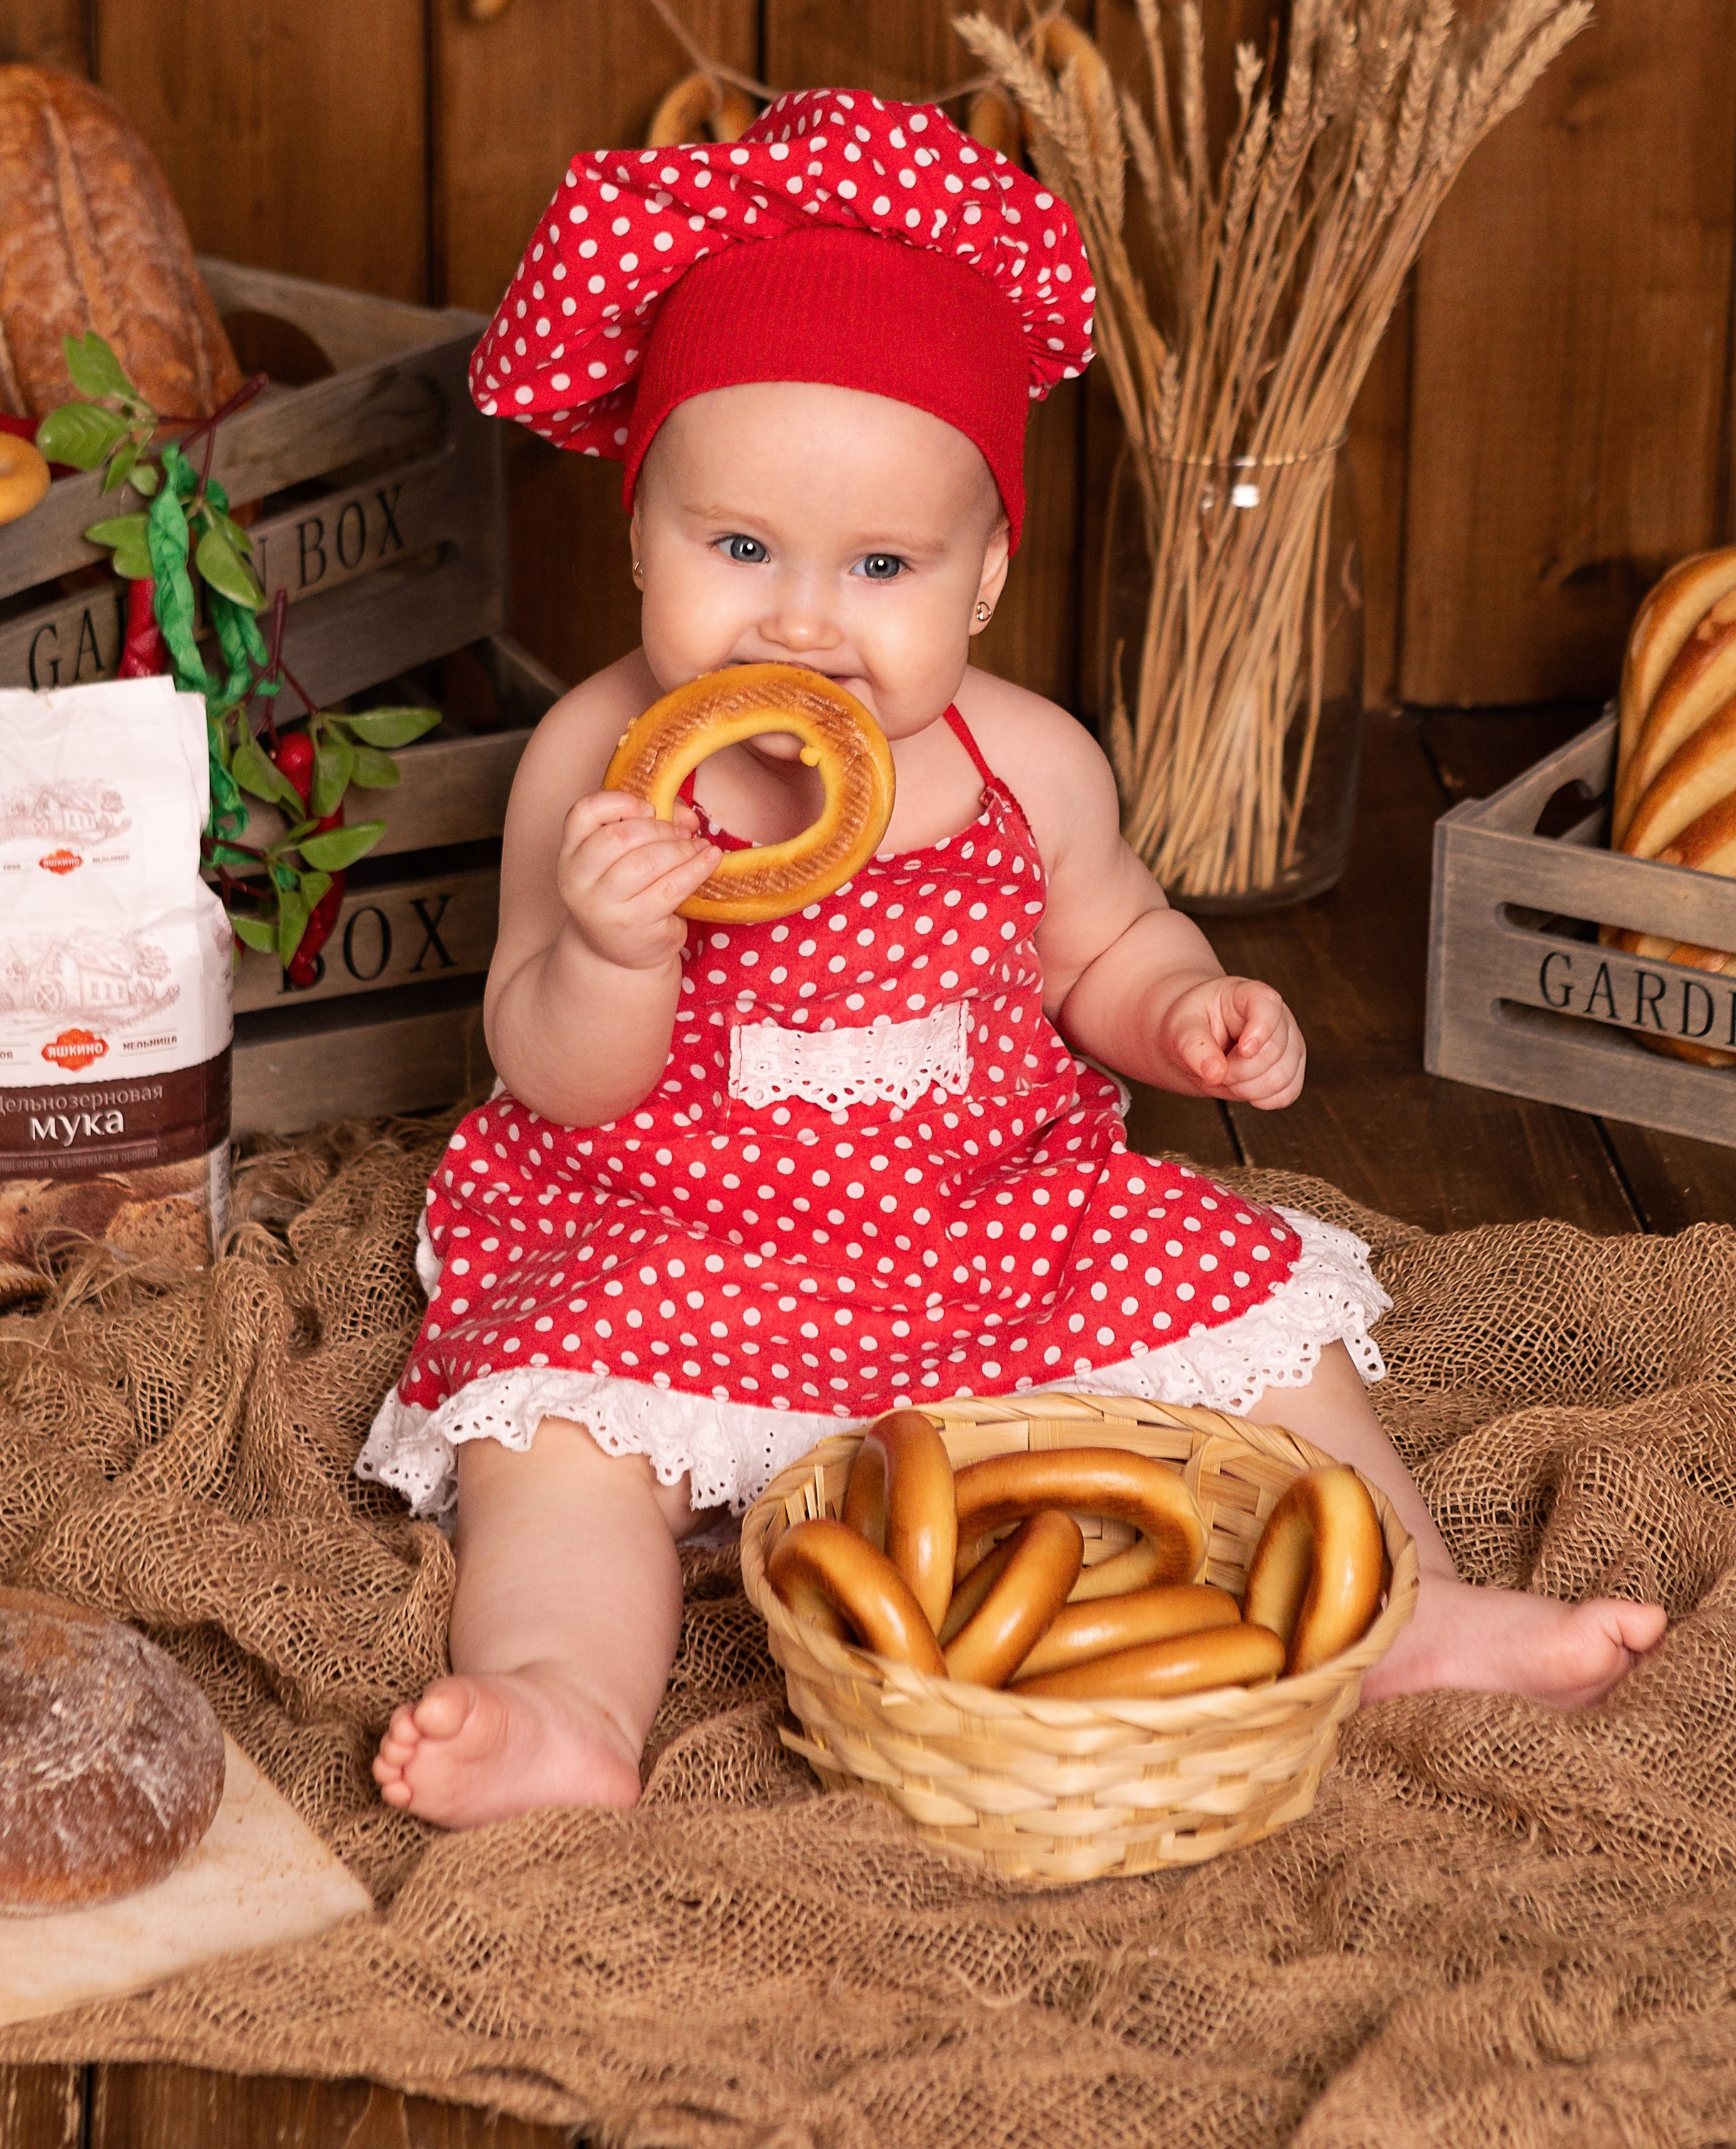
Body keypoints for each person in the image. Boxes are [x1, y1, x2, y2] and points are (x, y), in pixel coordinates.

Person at [361, 90, 1664, 1829]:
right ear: (633, 532)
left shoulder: (1024, 759)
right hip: (677, 1239)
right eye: (735, 548)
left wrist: (1180, 1010)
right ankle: (563, 1700)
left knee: (1248, 1315)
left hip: (985, 1222)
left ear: (980, 579)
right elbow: (553, 1073)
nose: (799, 618)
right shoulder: (596, 762)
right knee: (549, 1447)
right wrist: (610, 947)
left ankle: (1400, 1605)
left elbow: (1104, 939)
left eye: (879, 565)